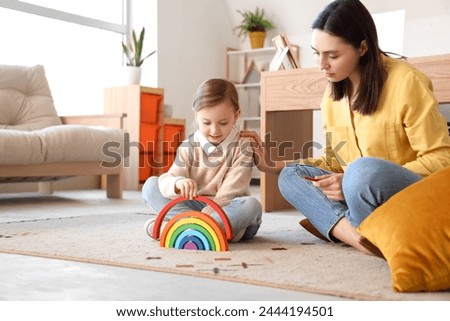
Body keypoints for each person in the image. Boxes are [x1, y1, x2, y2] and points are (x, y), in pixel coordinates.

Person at [241, 0, 450, 257]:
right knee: (290, 177)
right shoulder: (331, 97)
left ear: (362, 47)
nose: (321, 64)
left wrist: (352, 180)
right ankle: (361, 238)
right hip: (360, 198)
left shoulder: (407, 82)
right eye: (317, 53)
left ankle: (353, 225)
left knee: (361, 170)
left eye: (333, 55)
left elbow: (442, 159)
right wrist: (275, 166)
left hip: (405, 196)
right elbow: (335, 160)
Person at [142, 78, 262, 242]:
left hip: (226, 209)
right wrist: (178, 183)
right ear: (196, 115)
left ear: (236, 116)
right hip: (195, 206)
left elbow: (232, 189)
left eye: (223, 123)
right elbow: (170, 178)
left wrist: (212, 212)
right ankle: (204, 230)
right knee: (151, 186)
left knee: (252, 206)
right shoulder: (188, 146)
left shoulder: (243, 145)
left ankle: (180, 227)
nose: (214, 130)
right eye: (206, 122)